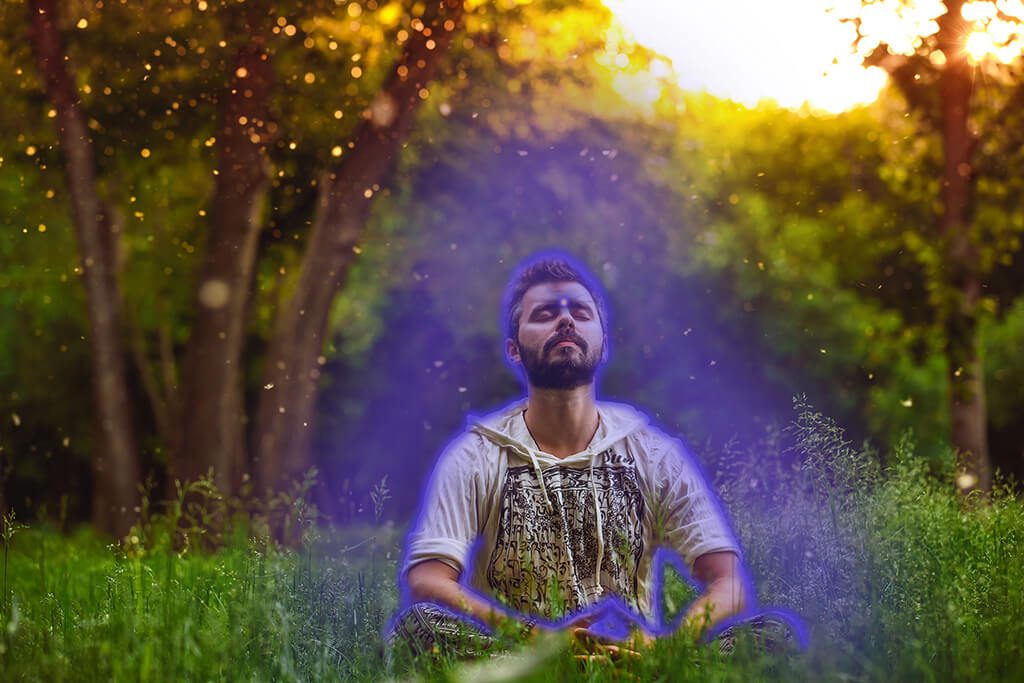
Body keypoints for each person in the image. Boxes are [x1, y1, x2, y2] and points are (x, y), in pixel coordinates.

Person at [387, 252, 800, 665]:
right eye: (545, 313)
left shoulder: (655, 454)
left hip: (636, 663)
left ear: (602, 345)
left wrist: (667, 650)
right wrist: (536, 640)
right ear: (514, 349)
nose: (565, 320)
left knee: (774, 636)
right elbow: (428, 579)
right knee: (418, 628)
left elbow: (728, 581)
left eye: (580, 312)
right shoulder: (475, 455)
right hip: (524, 662)